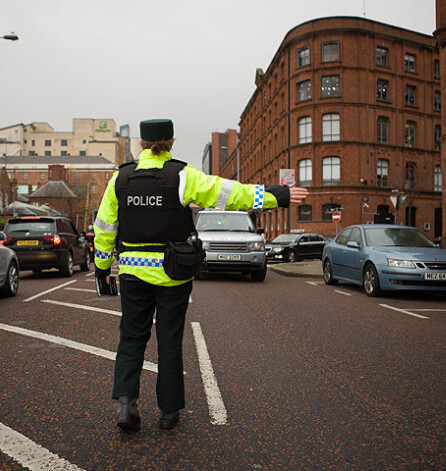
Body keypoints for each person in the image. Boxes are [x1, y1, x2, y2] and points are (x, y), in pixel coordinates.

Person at [94, 118, 308, 431]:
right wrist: (278, 195)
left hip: (131, 274)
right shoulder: (182, 176)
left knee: (131, 338)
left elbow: (104, 229)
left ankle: (126, 405)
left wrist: (102, 269)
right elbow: (230, 194)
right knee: (169, 341)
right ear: (170, 142)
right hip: (173, 274)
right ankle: (168, 412)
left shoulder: (119, 179)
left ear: (141, 144)